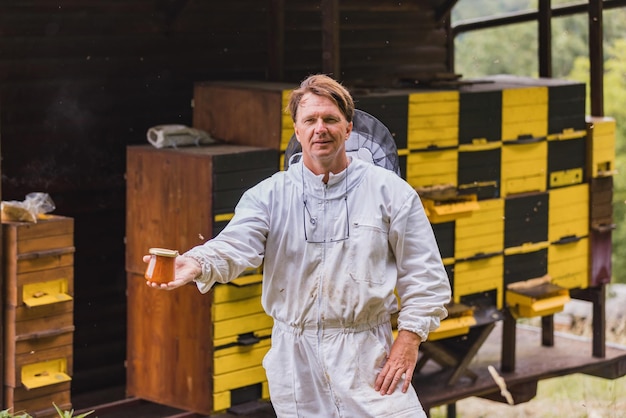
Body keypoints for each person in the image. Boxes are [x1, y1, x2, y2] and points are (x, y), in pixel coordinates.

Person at [145, 74, 451, 417]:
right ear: (297, 129)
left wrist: (409, 341)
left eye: (331, 119)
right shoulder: (269, 195)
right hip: (295, 357)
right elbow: (235, 243)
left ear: (348, 129)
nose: (320, 128)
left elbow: (425, 276)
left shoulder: (390, 192)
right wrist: (197, 261)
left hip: (366, 354)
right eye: (311, 120)